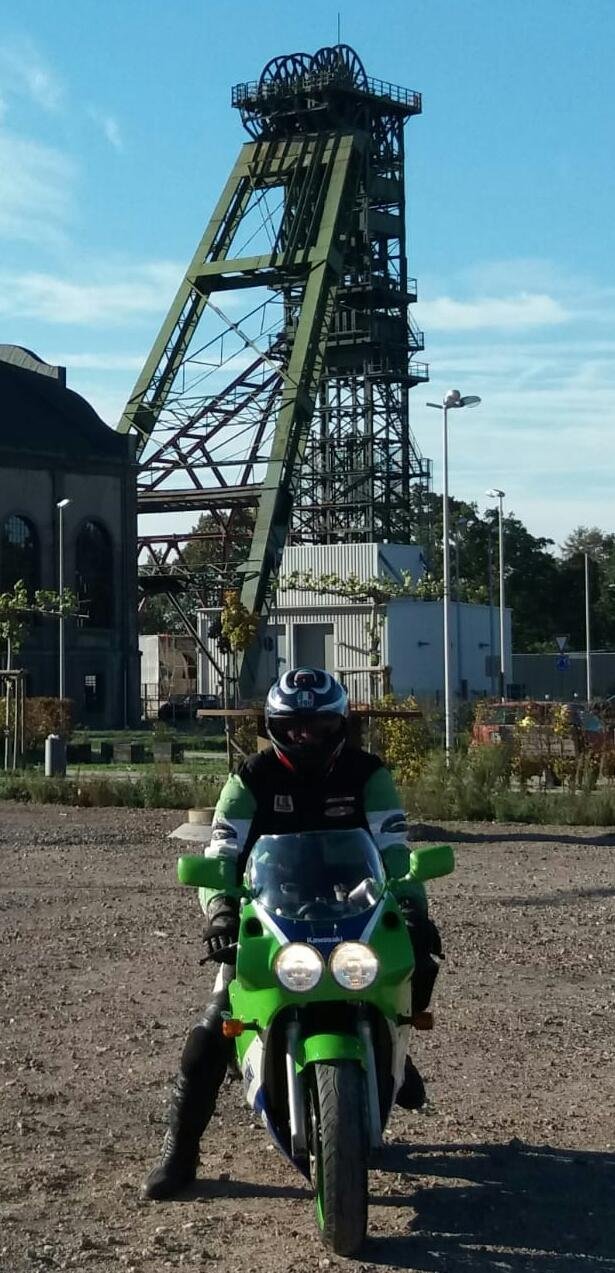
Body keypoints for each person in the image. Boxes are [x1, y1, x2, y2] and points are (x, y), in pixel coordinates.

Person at [142, 667, 442, 1200]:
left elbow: (395, 852)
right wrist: (220, 912)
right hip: (271, 914)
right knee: (213, 1030)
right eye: (294, 727)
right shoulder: (249, 779)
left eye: (319, 727)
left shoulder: (368, 775)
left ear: (339, 726)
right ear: (274, 727)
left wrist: (414, 905)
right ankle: (180, 1152)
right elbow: (221, 855)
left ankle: (396, 1041)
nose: (306, 737)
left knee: (418, 954)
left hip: (355, 909)